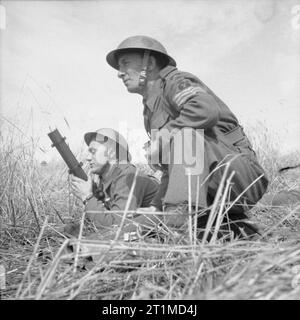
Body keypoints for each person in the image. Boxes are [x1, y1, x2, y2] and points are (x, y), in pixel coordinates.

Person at [105, 35, 269, 240]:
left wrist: (164, 135)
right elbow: (173, 167)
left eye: (125, 63)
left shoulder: (175, 81)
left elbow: (204, 109)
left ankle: (177, 230)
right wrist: (157, 206)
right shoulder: (151, 108)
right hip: (205, 189)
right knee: (137, 226)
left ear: (150, 62)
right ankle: (224, 228)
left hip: (238, 177)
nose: (119, 73)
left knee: (184, 136)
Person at [67, 128, 160, 240]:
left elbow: (116, 227)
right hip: (142, 231)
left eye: (93, 151)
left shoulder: (127, 178)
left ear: (111, 152)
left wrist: (87, 197)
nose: (88, 158)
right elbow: (97, 222)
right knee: (69, 230)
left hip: (163, 233)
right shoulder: (105, 179)